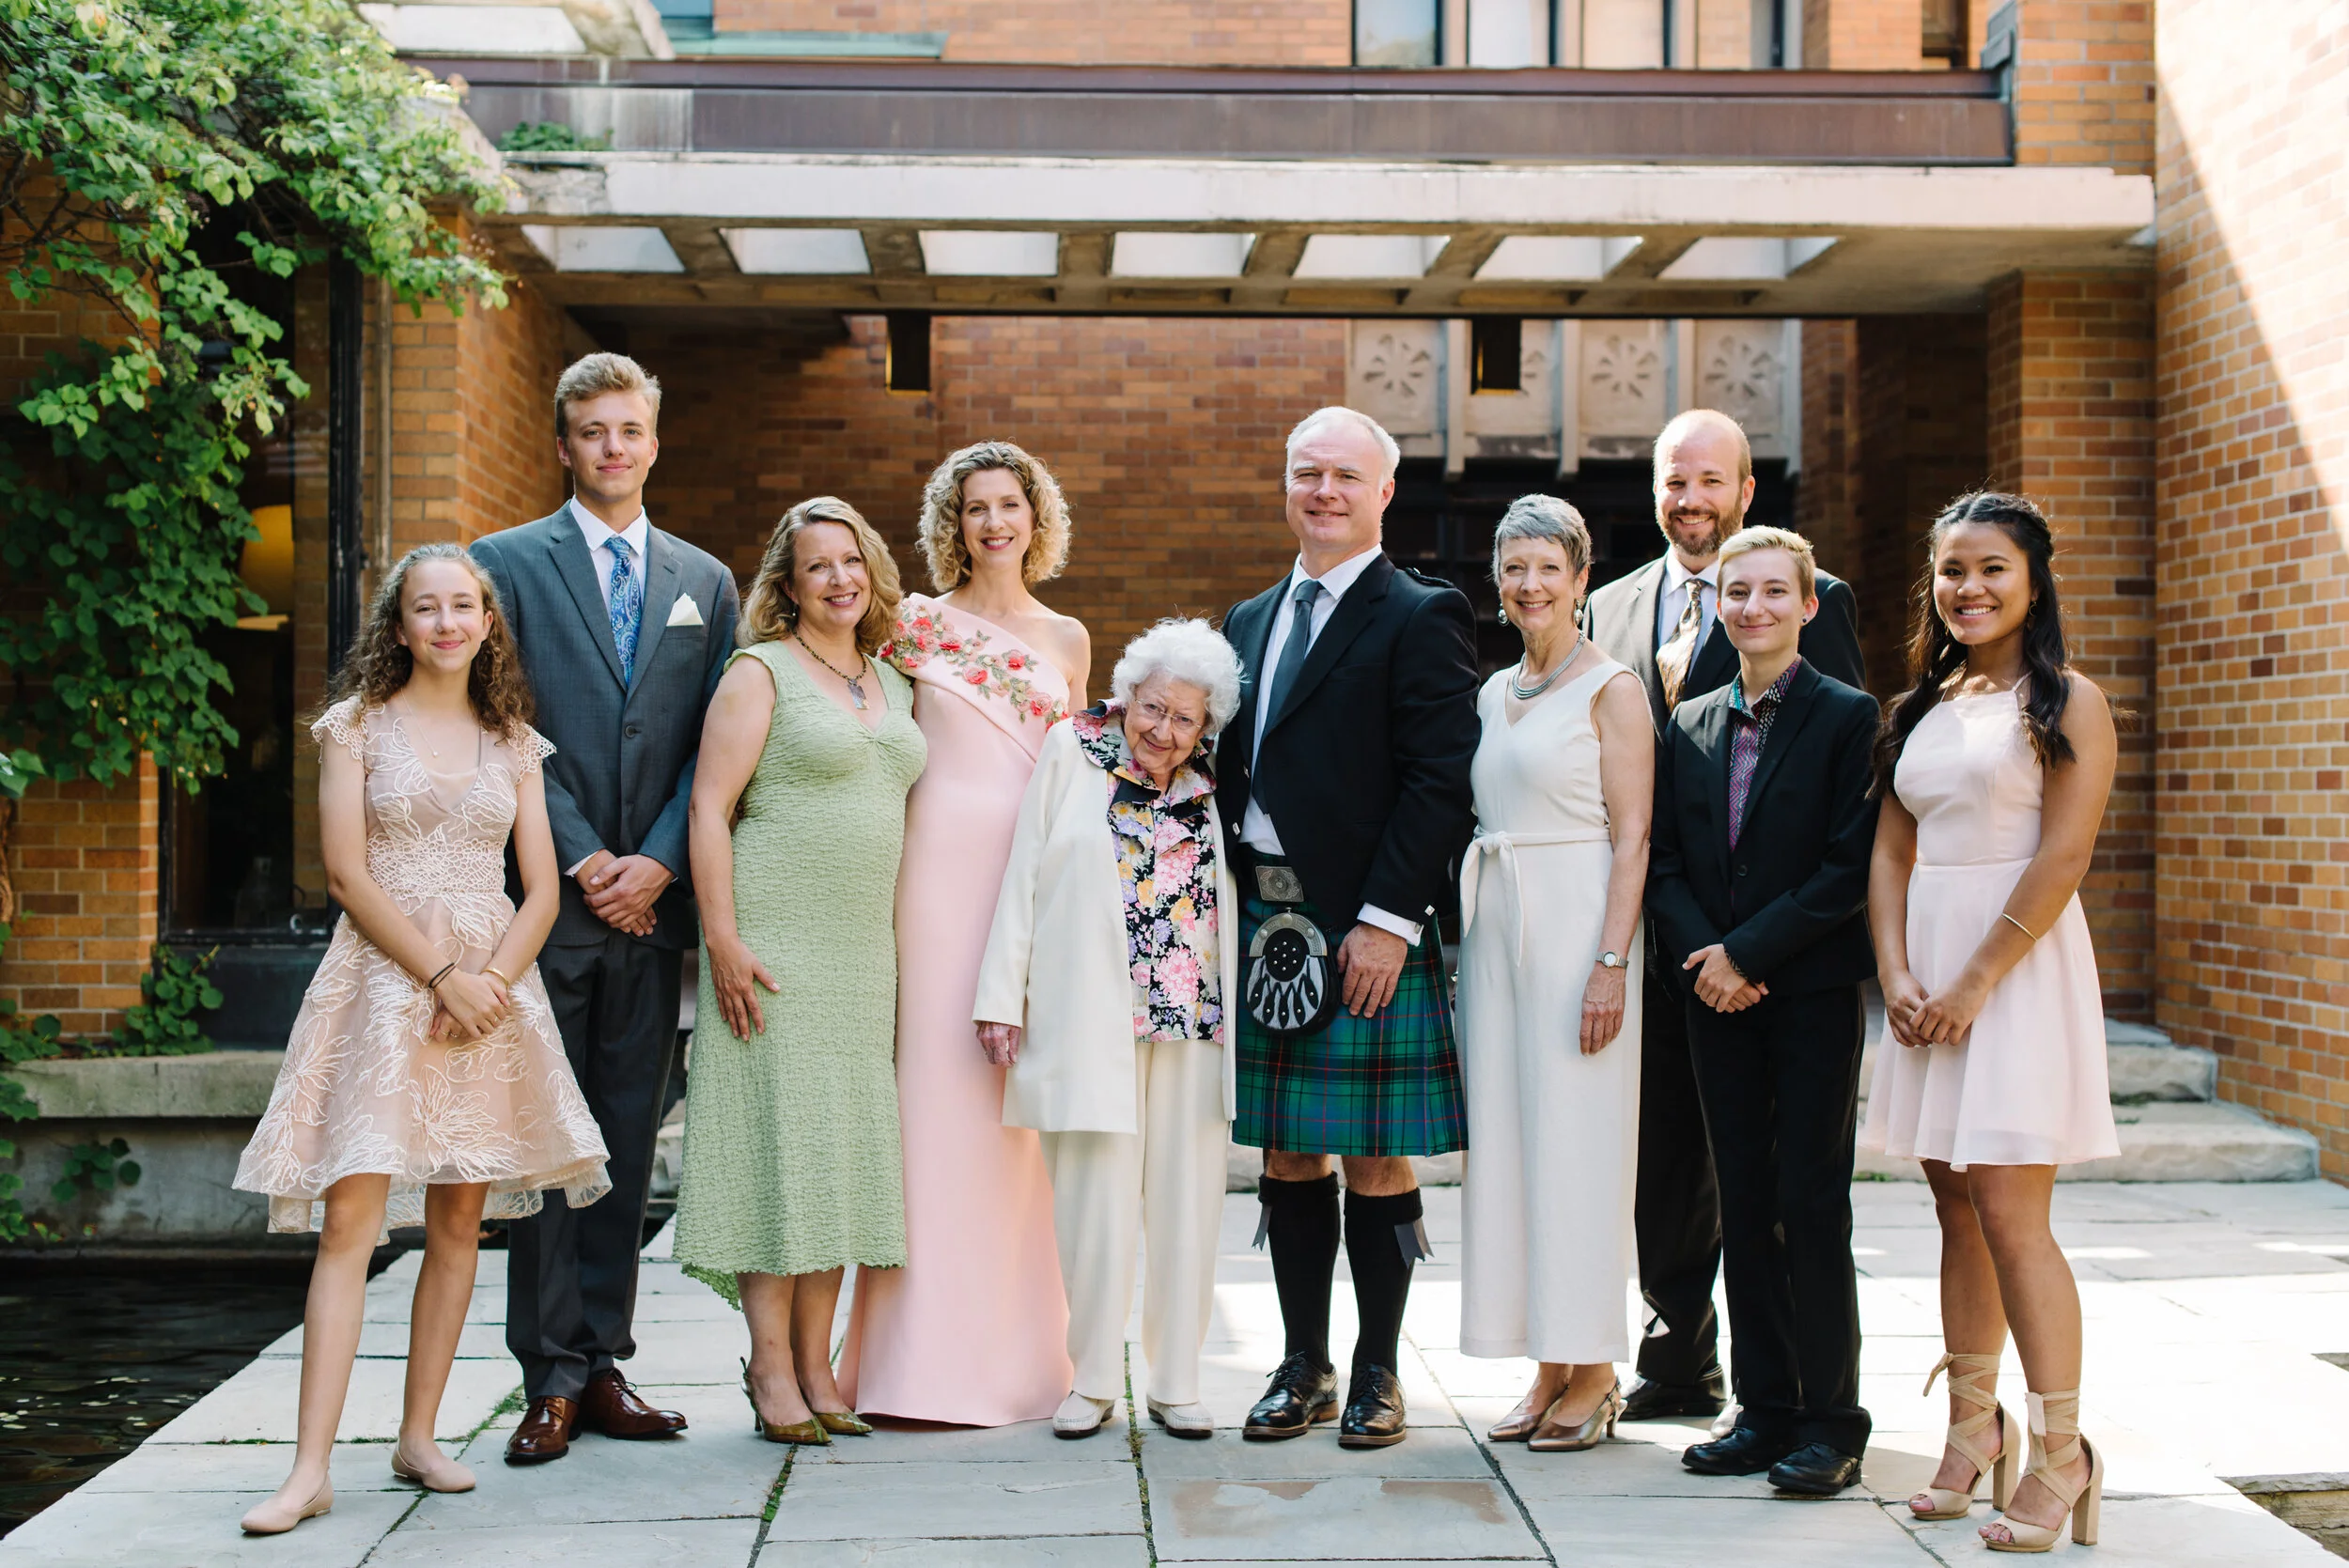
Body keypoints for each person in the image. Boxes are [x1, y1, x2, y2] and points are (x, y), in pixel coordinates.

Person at [233, 545, 610, 1534]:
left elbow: (542, 884)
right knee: (351, 1224)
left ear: (486, 621)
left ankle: (420, 1437)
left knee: (457, 1224)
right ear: (397, 628)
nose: (446, 621)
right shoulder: (355, 726)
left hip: (491, 996)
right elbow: (346, 875)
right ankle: (309, 1468)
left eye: (462, 606)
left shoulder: (514, 740)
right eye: (425, 608)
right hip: (387, 985)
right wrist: (440, 975)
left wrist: (489, 984)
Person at [470, 352, 740, 1464]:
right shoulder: (505, 566)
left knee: (626, 1137)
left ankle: (607, 1361)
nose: (613, 447)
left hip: (657, 908)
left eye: (630, 429)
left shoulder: (706, 581)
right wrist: (586, 860)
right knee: (547, 1141)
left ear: (655, 440)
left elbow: (720, 744)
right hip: (549, 900)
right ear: (566, 443)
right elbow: (501, 722)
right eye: (593, 432)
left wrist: (662, 860)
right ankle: (548, 1376)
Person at [1581, 409, 1865, 1424]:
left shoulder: (1811, 600)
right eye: (1673, 481)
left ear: (1747, 493)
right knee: (1668, 1154)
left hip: (1770, 947)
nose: (1690, 500)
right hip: (1654, 924)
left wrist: (1746, 945)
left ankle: (1804, 1398)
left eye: (1711, 481)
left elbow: (1836, 787)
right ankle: (1680, 1353)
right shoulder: (1608, 607)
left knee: (1780, 1185)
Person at [1859, 492, 2118, 1552]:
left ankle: (2064, 1452)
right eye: (1951, 570)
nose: (1967, 588)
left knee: (2012, 1212)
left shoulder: (2068, 702)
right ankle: (1974, 1429)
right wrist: (1898, 972)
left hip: (2014, 969)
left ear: (2033, 580)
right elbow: (1888, 853)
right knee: (1952, 1205)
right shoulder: (1919, 708)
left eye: (1991, 569)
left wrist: (1972, 981)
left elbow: (2063, 856)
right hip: (1925, 976)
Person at [1219, 405, 1481, 1450]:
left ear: (1384, 491)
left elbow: (1438, 780)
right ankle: (1301, 1366)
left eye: (1344, 476)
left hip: (1365, 916)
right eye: (1305, 472)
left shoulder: (1420, 612)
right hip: (1264, 914)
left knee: (1375, 1155)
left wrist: (1386, 922)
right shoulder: (1246, 618)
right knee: (1286, 1151)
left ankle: (1378, 1372)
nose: (1322, 490)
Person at [838, 442, 1085, 1426]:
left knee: (1011, 1117)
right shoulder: (911, 625)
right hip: (930, 882)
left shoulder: (1065, 637)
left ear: (1036, 519)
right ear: (954, 520)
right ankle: (908, 1368)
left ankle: (1018, 1361)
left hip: (1028, 885)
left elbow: (1069, 780)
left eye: (1009, 505)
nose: (994, 523)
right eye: (975, 506)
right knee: (929, 1106)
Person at [671, 497, 927, 1444]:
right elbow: (707, 809)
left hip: (864, 953)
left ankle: (821, 1367)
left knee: (839, 1153)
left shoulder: (896, 682)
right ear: (786, 583)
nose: (838, 578)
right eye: (817, 565)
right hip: (774, 942)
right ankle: (770, 1366)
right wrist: (723, 940)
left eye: (851, 560)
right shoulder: (758, 673)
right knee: (777, 1151)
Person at [1647, 526, 1882, 1498]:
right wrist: (1711, 957)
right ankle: (1764, 1406)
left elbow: (1846, 867)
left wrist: (1749, 951)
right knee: (1740, 1200)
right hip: (1715, 998)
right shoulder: (1689, 720)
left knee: (1808, 1202)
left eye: (1773, 592)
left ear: (1806, 605)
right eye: (1735, 592)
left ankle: (1831, 1418)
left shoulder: (1848, 716)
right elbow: (1663, 860)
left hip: (1810, 995)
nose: (1751, 607)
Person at [972, 620, 1245, 1440]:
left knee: (1189, 1202)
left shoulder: (1216, 779)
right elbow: (1022, 869)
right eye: (1152, 707)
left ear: (1206, 728)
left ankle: (1179, 1381)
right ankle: (1091, 1379)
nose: (1163, 729)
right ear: (1127, 698)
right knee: (1091, 1203)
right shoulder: (1073, 750)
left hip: (1193, 1021)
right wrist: (1001, 996)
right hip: (1091, 1012)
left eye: (1184, 718)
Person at [1456, 497, 1651, 1451]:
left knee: (1578, 1145)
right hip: (1498, 930)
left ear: (1579, 580)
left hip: (1580, 925)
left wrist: (1609, 963)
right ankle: (1545, 1358)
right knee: (1515, 1145)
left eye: (1547, 567)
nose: (1529, 584)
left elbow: (1636, 837)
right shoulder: (1495, 693)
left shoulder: (1611, 689)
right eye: (1513, 566)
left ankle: (1597, 1366)